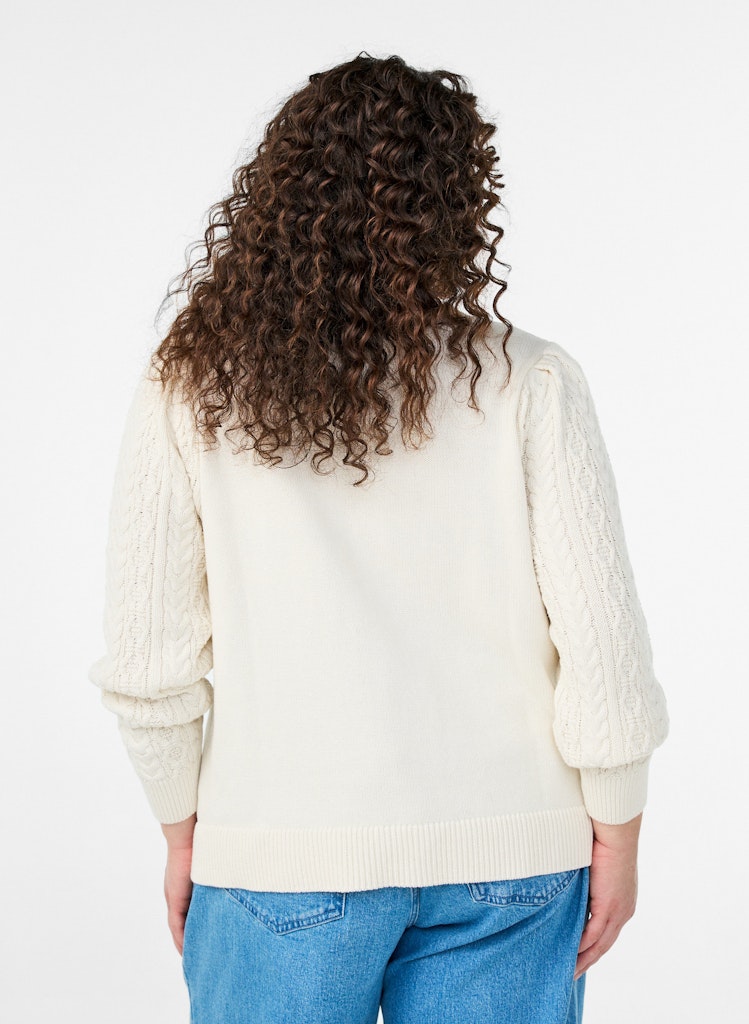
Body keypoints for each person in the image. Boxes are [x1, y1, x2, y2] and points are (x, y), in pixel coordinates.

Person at [88, 52, 670, 1024]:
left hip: (279, 854)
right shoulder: (529, 381)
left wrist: (184, 828)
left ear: (277, 195)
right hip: (513, 858)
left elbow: (149, 664)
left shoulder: (193, 385)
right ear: (458, 206)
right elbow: (601, 646)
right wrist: (618, 828)